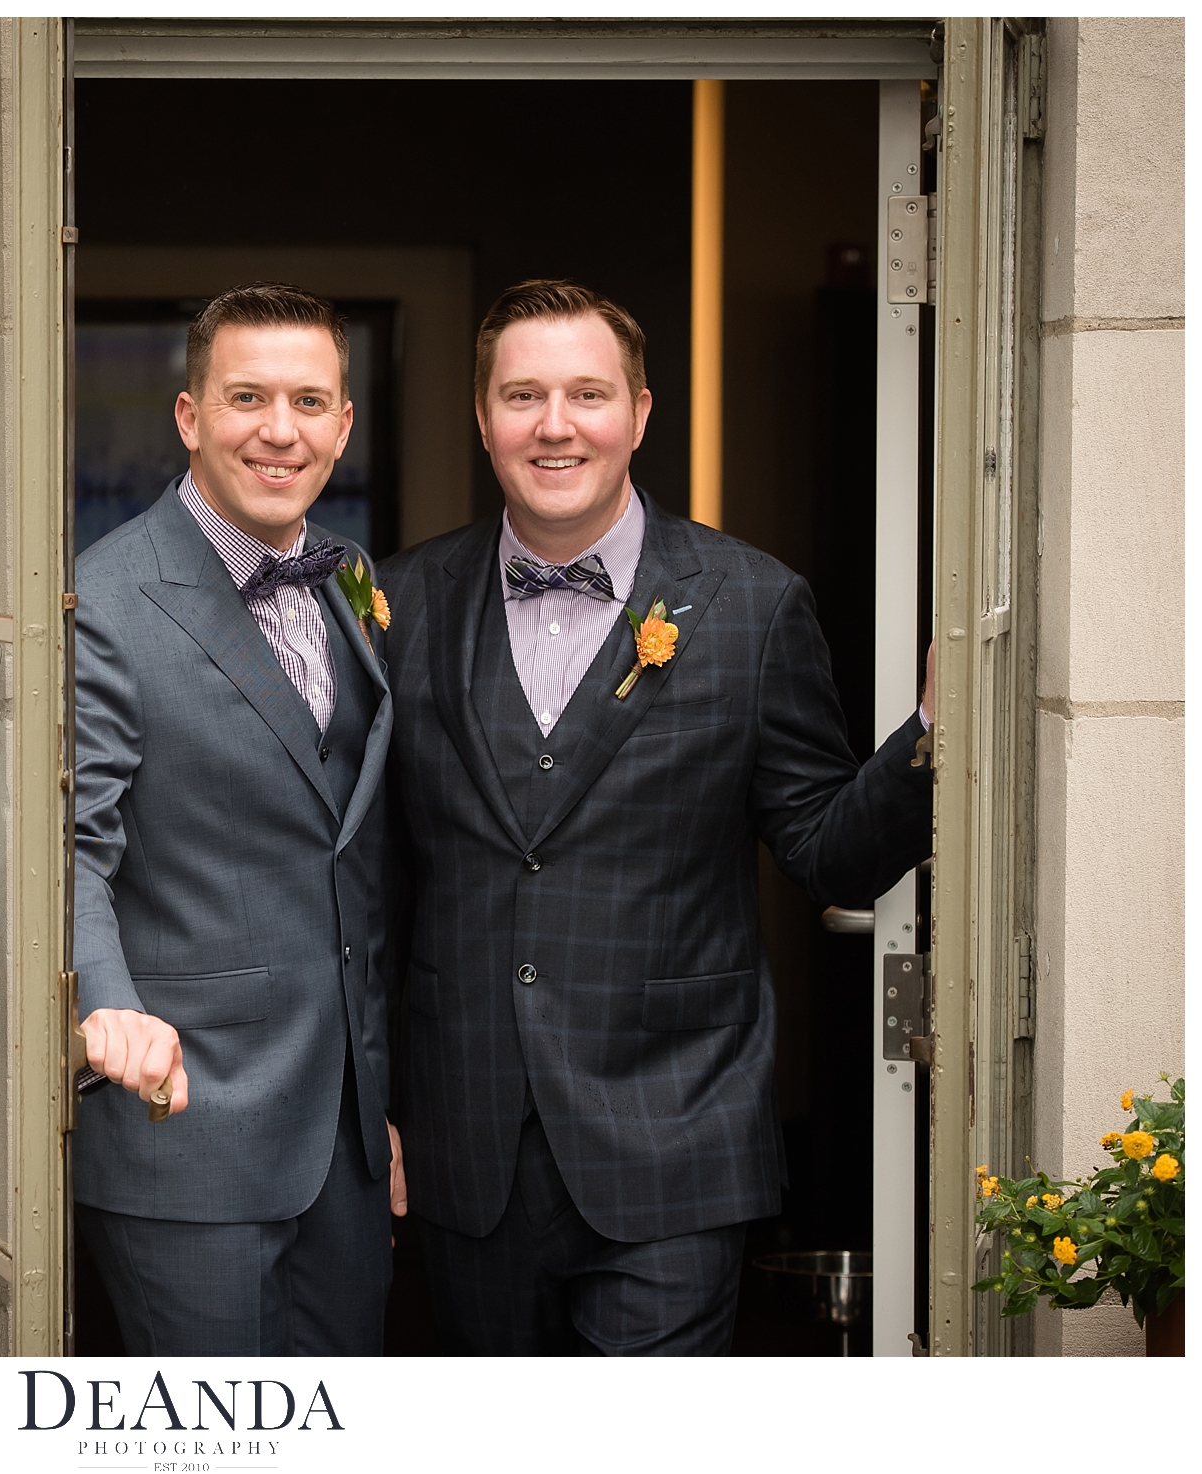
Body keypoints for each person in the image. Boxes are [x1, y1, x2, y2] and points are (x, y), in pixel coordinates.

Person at [375, 280, 934, 1355]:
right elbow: (377, 886)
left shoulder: (753, 603)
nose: (554, 424)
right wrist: (378, 1106)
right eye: (522, 394)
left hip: (675, 1138)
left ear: (638, 413)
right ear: (482, 417)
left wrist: (929, 733)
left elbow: (831, 852)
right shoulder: (403, 603)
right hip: (462, 1143)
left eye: (587, 393)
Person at [72, 282, 407, 1354]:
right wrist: (111, 1013)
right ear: (189, 417)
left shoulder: (349, 579)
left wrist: (378, 1098)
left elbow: (347, 849)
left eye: (310, 402)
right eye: (248, 397)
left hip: (346, 1146)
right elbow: (72, 844)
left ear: (344, 425)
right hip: (189, 1127)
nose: (280, 429)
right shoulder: (108, 600)